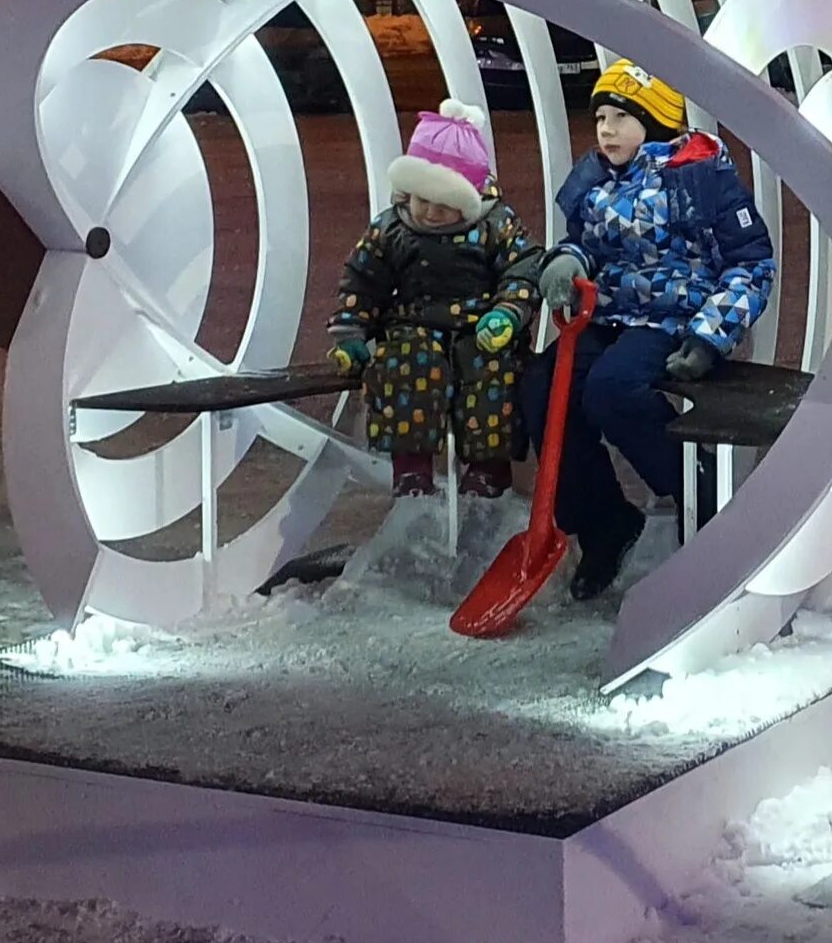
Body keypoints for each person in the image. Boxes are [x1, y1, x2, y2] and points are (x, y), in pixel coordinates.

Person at [523, 59, 775, 602]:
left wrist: (709, 336)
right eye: (600, 118)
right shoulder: (597, 181)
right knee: (542, 389)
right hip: (610, 314)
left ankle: (697, 497)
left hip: (674, 319)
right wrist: (568, 259)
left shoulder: (699, 174)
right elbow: (586, 243)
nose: (606, 130)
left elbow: (751, 263)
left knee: (612, 390)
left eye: (621, 117)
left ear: (655, 121)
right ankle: (603, 522)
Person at [323, 101, 547, 500]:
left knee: (492, 372)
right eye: (422, 200)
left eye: (444, 205)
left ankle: (488, 470)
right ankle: (411, 469)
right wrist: (351, 331)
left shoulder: (496, 223)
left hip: (480, 325)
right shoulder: (391, 227)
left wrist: (508, 313)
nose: (429, 213)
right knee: (405, 366)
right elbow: (364, 279)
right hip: (414, 323)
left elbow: (523, 267)